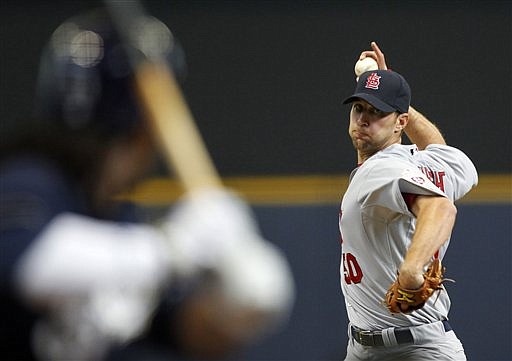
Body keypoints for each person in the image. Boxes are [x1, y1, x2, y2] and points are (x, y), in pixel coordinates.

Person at [0, 8, 294, 361]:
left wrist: (237, 306)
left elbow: (186, 332)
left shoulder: (117, 215)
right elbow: (32, 263)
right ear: (142, 129)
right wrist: (174, 249)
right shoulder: (27, 180)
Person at [338, 42, 478, 361]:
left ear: (400, 123)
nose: (364, 119)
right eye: (359, 108)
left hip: (414, 351)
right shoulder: (426, 163)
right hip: (367, 348)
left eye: (378, 112)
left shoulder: (381, 169)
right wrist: (388, 87)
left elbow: (440, 207)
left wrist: (412, 268)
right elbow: (439, 149)